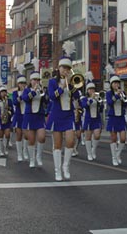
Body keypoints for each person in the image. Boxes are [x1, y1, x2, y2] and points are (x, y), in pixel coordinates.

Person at [47, 46, 81, 181]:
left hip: (69, 116)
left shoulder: (71, 83)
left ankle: (65, 166)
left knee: (71, 141)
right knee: (57, 144)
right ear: (59, 68)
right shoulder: (52, 82)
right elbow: (52, 97)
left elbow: (77, 96)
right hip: (57, 115)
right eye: (63, 68)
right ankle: (57, 170)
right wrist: (61, 87)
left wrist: (72, 85)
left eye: (68, 68)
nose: (65, 70)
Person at [22, 72, 47, 168]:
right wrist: (33, 91)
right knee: (31, 140)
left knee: (42, 137)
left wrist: (43, 93)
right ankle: (32, 159)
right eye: (34, 80)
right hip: (30, 116)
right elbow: (25, 99)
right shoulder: (26, 90)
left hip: (39, 116)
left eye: (38, 80)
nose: (36, 82)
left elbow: (46, 101)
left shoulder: (41, 90)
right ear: (31, 81)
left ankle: (39, 157)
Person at [105, 74, 127, 166]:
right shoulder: (108, 93)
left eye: (117, 83)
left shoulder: (123, 92)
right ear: (111, 84)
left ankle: (117, 154)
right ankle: (114, 158)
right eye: (114, 83)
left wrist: (122, 97)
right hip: (113, 117)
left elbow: (126, 104)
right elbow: (110, 103)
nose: (116, 85)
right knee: (113, 138)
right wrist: (117, 96)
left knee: (123, 138)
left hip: (121, 117)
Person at [80, 76, 103, 161]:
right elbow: (84, 106)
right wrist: (91, 99)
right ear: (87, 90)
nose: (92, 91)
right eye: (90, 89)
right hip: (88, 119)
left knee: (97, 135)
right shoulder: (84, 98)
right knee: (88, 137)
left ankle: (93, 150)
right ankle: (89, 153)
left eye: (93, 89)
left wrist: (100, 103)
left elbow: (101, 109)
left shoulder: (97, 98)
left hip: (96, 119)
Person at [12, 73, 28, 162]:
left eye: (24, 83)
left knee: (26, 134)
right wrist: (21, 96)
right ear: (18, 84)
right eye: (21, 83)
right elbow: (15, 102)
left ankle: (25, 151)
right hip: (18, 115)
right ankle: (19, 154)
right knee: (19, 134)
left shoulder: (28, 91)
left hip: (26, 115)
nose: (22, 84)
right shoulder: (15, 93)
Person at [0, 86, 14, 157]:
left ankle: (6, 148)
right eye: (2, 92)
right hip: (0, 120)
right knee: (1, 136)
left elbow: (12, 110)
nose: (4, 93)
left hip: (7, 120)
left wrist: (9, 112)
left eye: (5, 92)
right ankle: (1, 150)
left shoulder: (9, 101)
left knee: (7, 135)